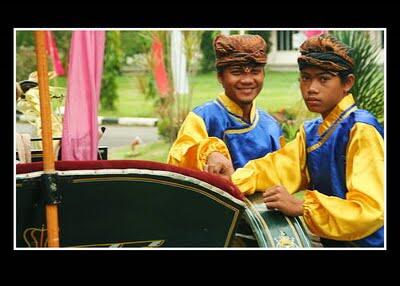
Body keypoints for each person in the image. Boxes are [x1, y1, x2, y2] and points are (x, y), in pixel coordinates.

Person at [223, 34, 384, 247]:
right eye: (306, 78)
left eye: (323, 79)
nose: (311, 88)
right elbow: (276, 168)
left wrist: (301, 207)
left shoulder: (361, 129)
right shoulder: (311, 132)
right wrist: (228, 184)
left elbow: (370, 211)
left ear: (347, 83)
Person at [167, 34, 284, 175]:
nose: (247, 80)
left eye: (255, 72)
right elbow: (179, 156)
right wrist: (209, 153)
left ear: (263, 75)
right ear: (220, 77)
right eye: (236, 72)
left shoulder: (270, 125)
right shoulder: (203, 118)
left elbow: (281, 173)